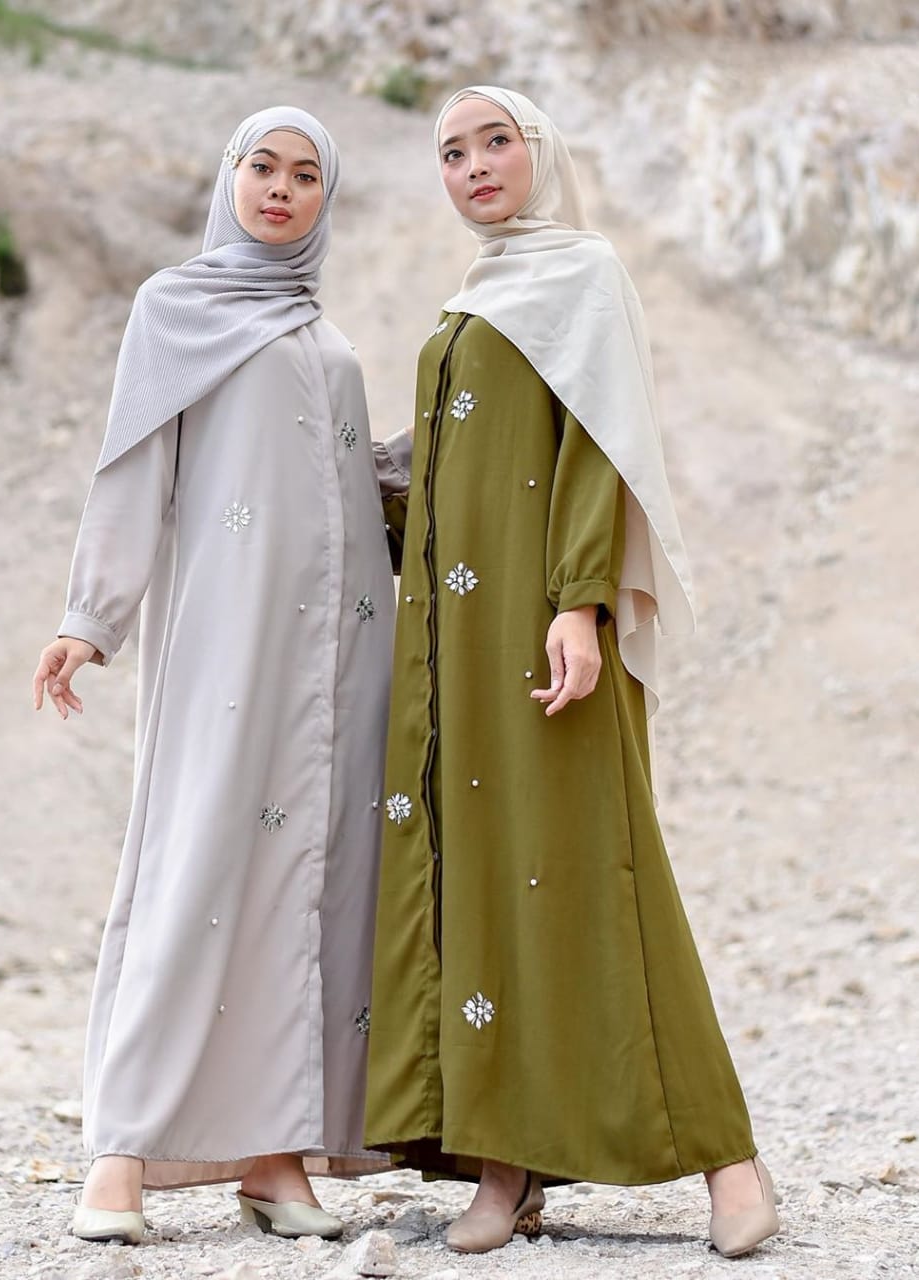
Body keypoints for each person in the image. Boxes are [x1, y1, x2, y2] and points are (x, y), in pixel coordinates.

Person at [363, 85, 780, 1260]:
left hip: (547, 634)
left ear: (538, 153)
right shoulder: (470, 301)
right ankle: (504, 1170)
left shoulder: (582, 275)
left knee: (603, 876)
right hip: (453, 651)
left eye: (496, 141)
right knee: (488, 886)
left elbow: (599, 446)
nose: (474, 166)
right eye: (452, 151)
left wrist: (582, 603)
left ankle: (729, 1159)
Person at [32, 107, 397, 1246]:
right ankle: (120, 1154)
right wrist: (92, 616)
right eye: (262, 167)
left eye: (305, 175)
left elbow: (351, 495)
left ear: (324, 198)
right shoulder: (175, 309)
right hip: (228, 648)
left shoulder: (323, 339)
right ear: (229, 177)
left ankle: (276, 1159)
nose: (281, 189)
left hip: (342, 659)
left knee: (314, 884)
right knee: (194, 867)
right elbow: (133, 466)